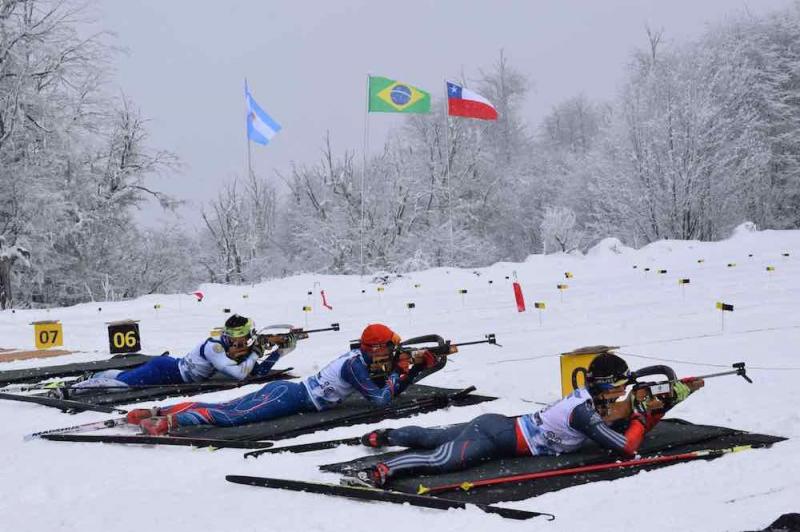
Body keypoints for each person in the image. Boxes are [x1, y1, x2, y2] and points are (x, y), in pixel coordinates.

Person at [349, 352, 705, 488]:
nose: (625, 392)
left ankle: (386, 434)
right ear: (607, 386)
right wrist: (645, 414)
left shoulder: (593, 401)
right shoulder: (583, 411)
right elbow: (627, 448)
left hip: (501, 426)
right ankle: (382, 469)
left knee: (431, 436)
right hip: (496, 436)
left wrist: (669, 399)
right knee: (444, 459)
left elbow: (626, 420)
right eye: (622, 386)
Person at [126, 323, 445, 435]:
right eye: (390, 348)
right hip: (290, 396)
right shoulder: (355, 367)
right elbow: (379, 400)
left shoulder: (361, 360)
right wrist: (403, 370)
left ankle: (157, 413)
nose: (393, 353)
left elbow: (384, 384)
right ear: (378, 349)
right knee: (229, 417)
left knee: (227, 409)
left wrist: (414, 368)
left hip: (289, 393)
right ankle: (168, 423)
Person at [63, 314, 292, 395]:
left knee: (123, 376)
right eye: (245, 338)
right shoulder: (215, 348)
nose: (246, 341)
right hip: (166, 372)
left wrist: (279, 352)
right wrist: (257, 351)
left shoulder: (230, 346)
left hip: (170, 368)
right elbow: (240, 375)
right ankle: (78, 387)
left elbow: (255, 372)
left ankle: (95, 375)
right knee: (122, 385)